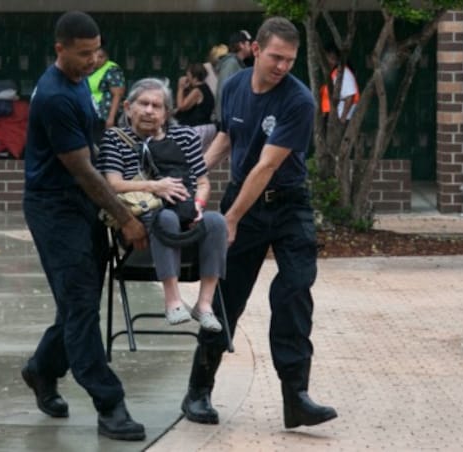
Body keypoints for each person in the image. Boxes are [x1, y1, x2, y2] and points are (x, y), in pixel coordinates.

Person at [181, 16, 338, 429]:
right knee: (225, 295)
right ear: (256, 51)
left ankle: (296, 396)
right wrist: (193, 173)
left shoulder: (298, 100)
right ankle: (199, 390)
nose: (283, 66)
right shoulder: (233, 87)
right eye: (275, 57)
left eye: (290, 59)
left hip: (288, 204)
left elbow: (267, 166)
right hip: (242, 199)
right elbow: (227, 138)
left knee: (294, 290)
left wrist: (230, 219)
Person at [20, 10, 148, 442]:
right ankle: (110, 404)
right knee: (79, 305)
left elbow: (95, 148)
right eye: (84, 54)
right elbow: (83, 171)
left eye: (96, 51)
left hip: (79, 204)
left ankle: (42, 368)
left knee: (80, 302)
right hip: (55, 208)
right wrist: (127, 219)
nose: (94, 60)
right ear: (60, 50)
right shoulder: (55, 96)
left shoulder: (78, 83)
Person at [97, 77, 228, 333]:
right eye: (143, 104)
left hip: (185, 223)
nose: (149, 110)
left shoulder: (185, 136)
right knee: (164, 218)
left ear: (166, 113)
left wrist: (199, 205)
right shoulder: (114, 139)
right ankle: (173, 300)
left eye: (156, 106)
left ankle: (204, 304)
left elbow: (202, 182)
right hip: (139, 230)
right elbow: (111, 184)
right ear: (127, 107)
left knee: (216, 222)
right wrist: (155, 187)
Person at [213, 29, 253, 126]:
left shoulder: (238, 64)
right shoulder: (231, 63)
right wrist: (224, 117)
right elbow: (223, 90)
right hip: (228, 119)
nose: (251, 46)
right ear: (241, 45)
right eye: (249, 43)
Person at [174, 63, 216, 151]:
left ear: (195, 77)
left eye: (188, 75)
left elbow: (182, 106)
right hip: (207, 126)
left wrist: (180, 88)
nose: (187, 78)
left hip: (198, 127)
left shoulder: (197, 91)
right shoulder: (205, 88)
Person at [88, 44, 125, 130]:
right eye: (95, 56)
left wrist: (111, 118)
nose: (97, 60)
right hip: (93, 114)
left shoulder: (111, 69)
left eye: (101, 57)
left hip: (105, 115)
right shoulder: (90, 69)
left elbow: (118, 95)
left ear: (107, 57)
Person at [320, 42, 359, 124]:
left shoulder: (343, 73)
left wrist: (342, 119)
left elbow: (349, 97)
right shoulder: (333, 73)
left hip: (339, 118)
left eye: (331, 58)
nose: (328, 60)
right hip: (332, 117)